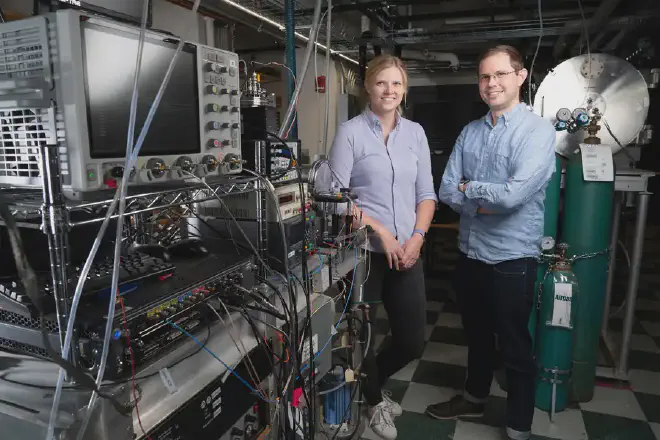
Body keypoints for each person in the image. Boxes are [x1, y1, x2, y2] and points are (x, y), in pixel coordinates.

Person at [425, 45, 556, 440]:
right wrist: (486, 199)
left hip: (512, 259)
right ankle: (474, 396)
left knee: (515, 345)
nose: (491, 83)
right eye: (484, 76)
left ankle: (518, 425)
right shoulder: (470, 132)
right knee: (477, 335)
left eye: (500, 74)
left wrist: (473, 193)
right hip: (471, 255)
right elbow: (447, 189)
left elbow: (513, 197)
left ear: (520, 77)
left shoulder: (537, 132)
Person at [328, 54, 437, 440]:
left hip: (408, 251)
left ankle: (370, 385)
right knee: (363, 337)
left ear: (404, 89)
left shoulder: (416, 134)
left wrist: (417, 238)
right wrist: (380, 231)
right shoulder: (351, 132)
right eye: (381, 83)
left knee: (410, 341)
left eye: (396, 84)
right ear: (367, 88)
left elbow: (426, 194)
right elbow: (333, 194)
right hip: (364, 254)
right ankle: (374, 403)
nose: (389, 91)